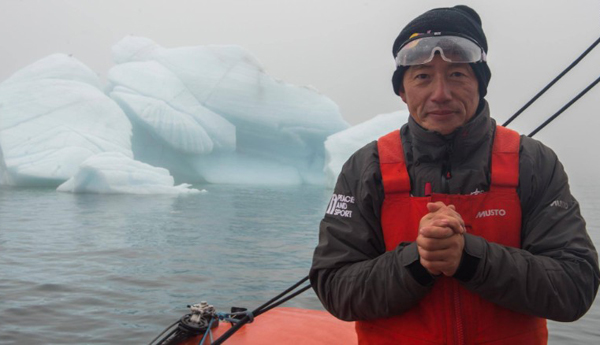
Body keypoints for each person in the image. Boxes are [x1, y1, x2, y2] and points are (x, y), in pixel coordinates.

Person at [310, 5, 599, 344]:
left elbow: (575, 286)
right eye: (422, 76)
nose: (440, 94)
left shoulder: (532, 163)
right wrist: (417, 261)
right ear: (402, 91)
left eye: (457, 74)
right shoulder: (366, 168)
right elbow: (334, 288)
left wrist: (471, 258)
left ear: (481, 83)